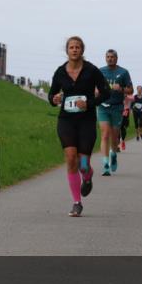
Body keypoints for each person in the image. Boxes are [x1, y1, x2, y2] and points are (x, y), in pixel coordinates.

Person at [48, 36, 111, 217]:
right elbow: (52, 96)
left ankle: (88, 176)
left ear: (82, 50)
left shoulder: (91, 70)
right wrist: (54, 99)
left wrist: (90, 103)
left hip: (86, 121)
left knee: (83, 164)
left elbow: (105, 92)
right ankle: (77, 202)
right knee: (70, 157)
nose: (74, 50)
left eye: (77, 47)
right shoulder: (60, 72)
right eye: (71, 47)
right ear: (67, 51)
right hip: (66, 120)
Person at [97, 50, 132, 176]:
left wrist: (121, 88)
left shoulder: (123, 72)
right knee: (105, 134)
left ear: (117, 58)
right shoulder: (100, 71)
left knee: (114, 136)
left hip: (117, 107)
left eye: (112, 57)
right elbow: (95, 87)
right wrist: (96, 91)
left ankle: (113, 154)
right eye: (108, 57)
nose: (110, 59)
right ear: (105, 58)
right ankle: (105, 164)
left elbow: (130, 90)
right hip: (103, 106)